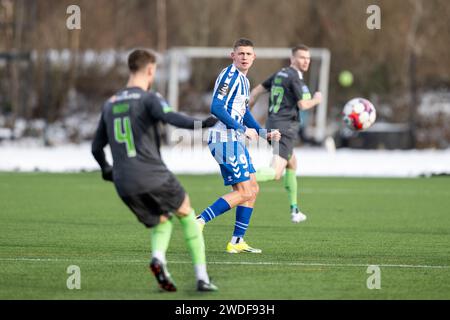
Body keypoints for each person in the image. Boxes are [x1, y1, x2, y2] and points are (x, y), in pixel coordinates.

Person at [91, 49, 218, 292]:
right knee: (186, 212)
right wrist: (205, 122)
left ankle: (158, 258)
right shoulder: (148, 98)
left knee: (162, 220)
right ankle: (202, 278)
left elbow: (96, 148)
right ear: (150, 69)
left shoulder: (110, 104)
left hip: (124, 183)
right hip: (152, 175)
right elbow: (172, 118)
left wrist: (107, 170)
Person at [196, 38, 280, 254]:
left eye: (248, 54)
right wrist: (242, 130)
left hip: (234, 140)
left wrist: (263, 134)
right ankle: (199, 221)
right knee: (244, 191)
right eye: (240, 53)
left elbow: (244, 113)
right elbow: (216, 106)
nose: (244, 57)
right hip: (224, 139)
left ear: (254, 57)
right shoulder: (229, 76)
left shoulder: (244, 80)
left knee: (252, 188)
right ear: (232, 55)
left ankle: (236, 241)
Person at [248, 44, 322, 223]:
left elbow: (257, 91)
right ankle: (245, 176)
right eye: (302, 57)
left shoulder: (280, 74)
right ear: (292, 59)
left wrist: (246, 112)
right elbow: (303, 105)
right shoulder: (296, 79)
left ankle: (295, 210)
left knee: (292, 162)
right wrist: (317, 100)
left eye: (308, 58)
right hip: (285, 129)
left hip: (274, 123)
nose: (306, 61)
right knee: (276, 172)